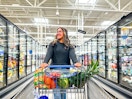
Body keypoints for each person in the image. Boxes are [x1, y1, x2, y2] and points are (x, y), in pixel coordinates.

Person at [41, 27, 81, 99]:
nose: (58, 33)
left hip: (65, 71)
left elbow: (72, 55)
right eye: (57, 31)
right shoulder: (53, 44)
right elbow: (48, 54)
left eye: (60, 31)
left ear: (64, 33)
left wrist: (76, 62)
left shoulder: (69, 46)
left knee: (63, 91)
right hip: (54, 70)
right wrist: (45, 62)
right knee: (56, 91)